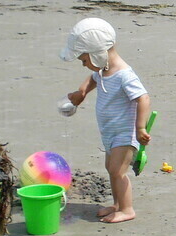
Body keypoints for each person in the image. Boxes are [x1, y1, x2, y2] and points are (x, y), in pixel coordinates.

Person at [60, 17, 151, 224]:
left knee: (118, 171)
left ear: (97, 53)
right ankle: (117, 204)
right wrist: (81, 92)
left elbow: (143, 98)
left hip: (125, 133)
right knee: (111, 168)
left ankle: (127, 209)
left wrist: (140, 128)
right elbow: (93, 79)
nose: (84, 65)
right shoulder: (102, 70)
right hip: (110, 132)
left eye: (84, 60)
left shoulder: (124, 75)